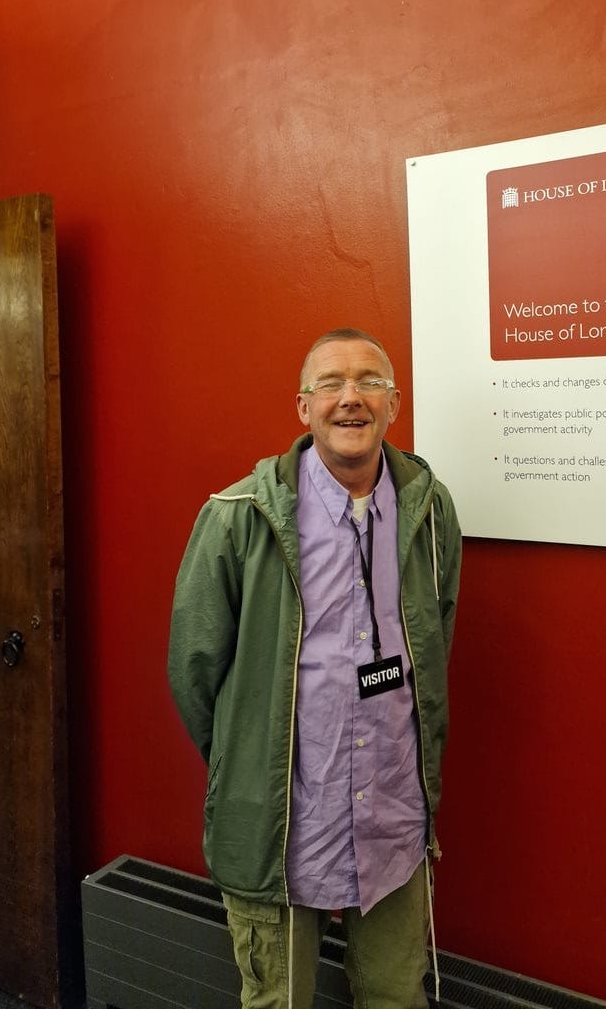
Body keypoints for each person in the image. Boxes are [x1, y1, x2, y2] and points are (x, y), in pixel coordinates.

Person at [168, 328, 462, 1009]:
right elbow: (194, 670)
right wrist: (249, 761)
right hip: (284, 830)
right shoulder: (238, 518)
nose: (350, 398)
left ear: (394, 402)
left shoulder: (429, 511)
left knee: (397, 998)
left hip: (393, 822)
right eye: (330, 383)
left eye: (368, 382)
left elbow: (435, 637)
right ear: (304, 407)